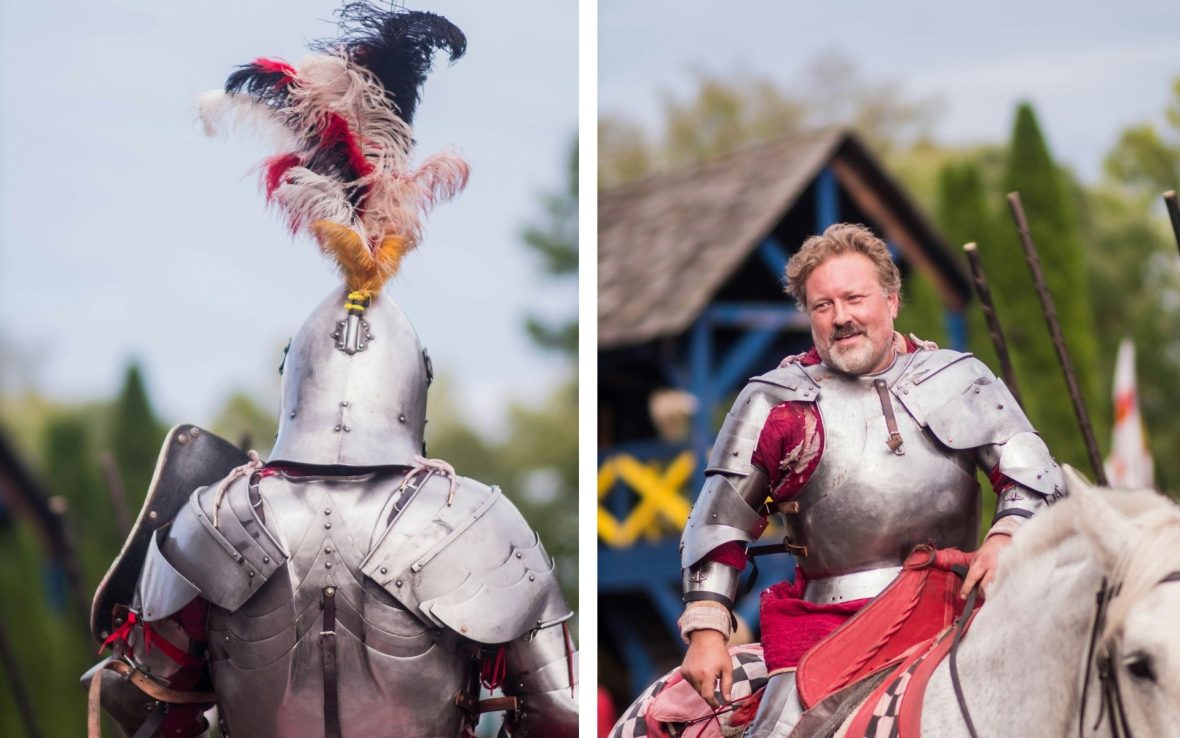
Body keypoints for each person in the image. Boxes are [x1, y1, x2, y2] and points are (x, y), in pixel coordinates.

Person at [81, 6, 577, 737]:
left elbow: (143, 707)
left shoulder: (217, 518)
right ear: (412, 387)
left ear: (295, 380)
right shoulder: (474, 521)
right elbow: (561, 714)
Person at [676, 222, 1062, 736]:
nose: (841, 318)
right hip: (830, 626)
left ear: (892, 301)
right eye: (823, 305)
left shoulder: (958, 378)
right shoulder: (776, 401)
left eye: (854, 298)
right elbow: (718, 523)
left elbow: (1033, 474)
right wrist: (706, 630)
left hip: (959, 608)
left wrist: (1005, 537)